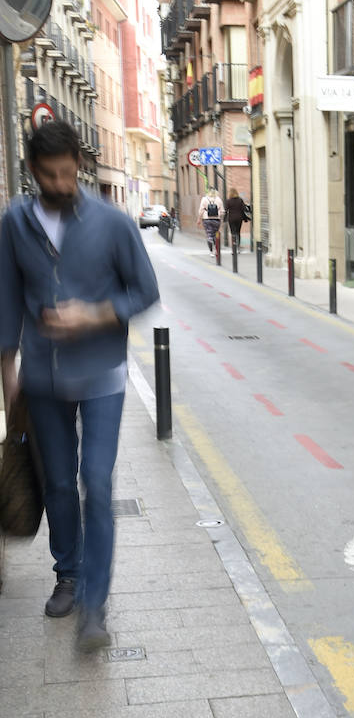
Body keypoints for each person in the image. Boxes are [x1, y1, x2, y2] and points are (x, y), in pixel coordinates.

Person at [0, 121, 160, 651]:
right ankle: (67, 574)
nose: (62, 183)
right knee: (59, 485)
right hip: (42, 378)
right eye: (51, 175)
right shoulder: (14, 224)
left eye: (69, 173)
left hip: (102, 377)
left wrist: (94, 314)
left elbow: (144, 292)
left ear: (78, 167)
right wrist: (8, 375)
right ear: (33, 172)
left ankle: (95, 605)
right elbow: (6, 300)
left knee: (97, 480)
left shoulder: (113, 224)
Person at [197, 188, 224, 254]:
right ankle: (216, 250)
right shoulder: (219, 199)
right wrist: (219, 216)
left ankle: (211, 250)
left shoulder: (204, 199)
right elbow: (222, 211)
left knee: (209, 234)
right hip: (216, 219)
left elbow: (201, 210)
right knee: (215, 234)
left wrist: (199, 219)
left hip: (206, 219)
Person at [224, 188, 247, 255]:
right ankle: (238, 248)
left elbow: (226, 210)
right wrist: (245, 218)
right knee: (238, 232)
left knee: (233, 233)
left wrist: (224, 219)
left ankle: (233, 249)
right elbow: (244, 209)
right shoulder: (240, 200)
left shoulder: (228, 201)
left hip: (231, 219)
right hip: (239, 218)